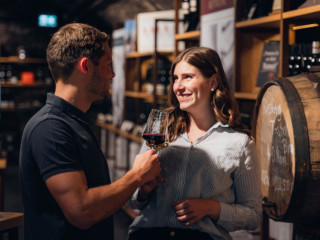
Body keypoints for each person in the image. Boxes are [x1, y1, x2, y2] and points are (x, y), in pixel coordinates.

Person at [19, 23, 161, 240]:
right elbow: (81, 211)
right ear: (85, 66)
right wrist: (136, 176)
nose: (113, 74)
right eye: (108, 64)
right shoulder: (50, 128)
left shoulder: (72, 122)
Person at [127, 47, 262, 240]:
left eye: (187, 77)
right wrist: (143, 189)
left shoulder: (239, 143)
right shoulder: (160, 128)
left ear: (213, 82)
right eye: (175, 78)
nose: (178, 86)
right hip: (149, 235)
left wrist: (211, 208)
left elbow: (253, 216)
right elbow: (131, 201)